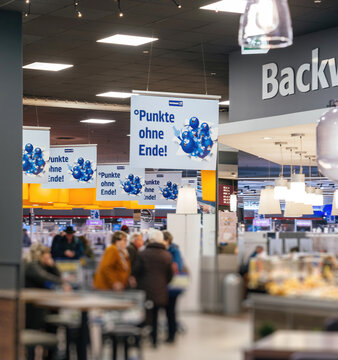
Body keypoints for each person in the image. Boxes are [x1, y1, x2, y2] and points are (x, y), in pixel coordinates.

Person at [133, 229, 173, 347]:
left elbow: (136, 271)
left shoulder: (142, 254)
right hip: (160, 291)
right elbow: (170, 275)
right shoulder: (167, 255)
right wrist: (162, 283)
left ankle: (138, 340)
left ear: (150, 240)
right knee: (155, 315)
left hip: (144, 290)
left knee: (143, 315)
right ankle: (154, 340)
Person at [24, 245, 71, 330]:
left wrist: (53, 266)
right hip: (33, 306)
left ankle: (52, 339)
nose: (49, 256)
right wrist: (62, 283)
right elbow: (44, 277)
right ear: (40, 254)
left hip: (40, 301)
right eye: (47, 253)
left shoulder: (43, 266)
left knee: (55, 312)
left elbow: (57, 277)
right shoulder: (32, 265)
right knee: (52, 314)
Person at [163, 230, 185, 343]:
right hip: (166, 284)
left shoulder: (174, 251)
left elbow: (177, 267)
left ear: (167, 240)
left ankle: (171, 334)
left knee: (170, 310)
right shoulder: (171, 250)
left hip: (173, 285)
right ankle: (170, 332)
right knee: (168, 310)